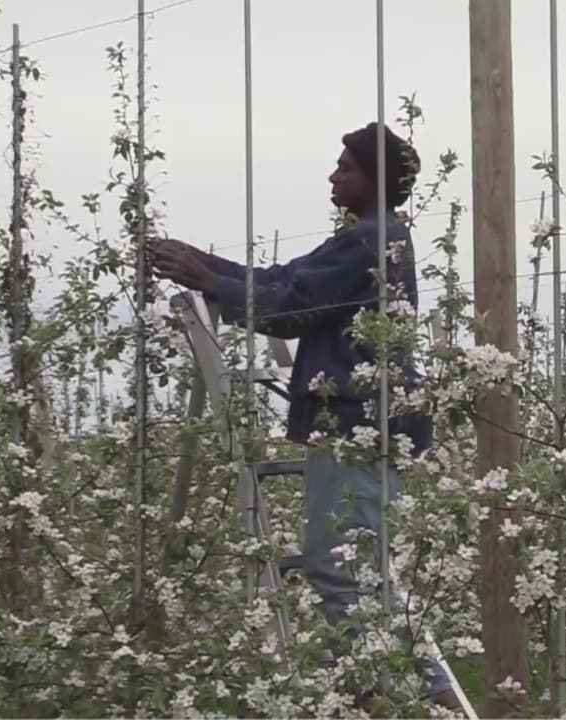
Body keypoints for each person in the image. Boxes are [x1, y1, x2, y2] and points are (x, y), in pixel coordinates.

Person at [152, 122, 460, 712]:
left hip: (358, 425)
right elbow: (285, 280)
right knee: (351, 569)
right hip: (354, 422)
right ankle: (376, 696)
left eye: (346, 167)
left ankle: (426, 701)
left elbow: (292, 306)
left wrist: (207, 280)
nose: (333, 176)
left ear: (374, 179)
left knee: (346, 571)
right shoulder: (364, 237)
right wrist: (204, 264)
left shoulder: (371, 241)